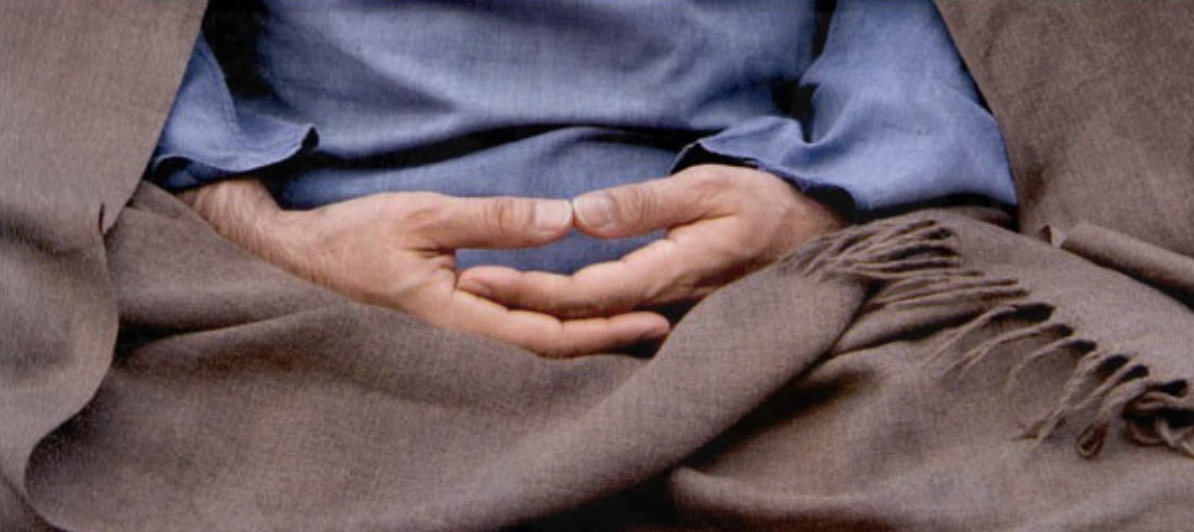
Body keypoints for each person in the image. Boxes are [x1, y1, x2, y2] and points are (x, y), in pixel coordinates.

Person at [150, 0, 1016, 357]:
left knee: (1092, 494)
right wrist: (260, 231)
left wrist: (827, 200)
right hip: (293, 291)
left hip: (793, 298)